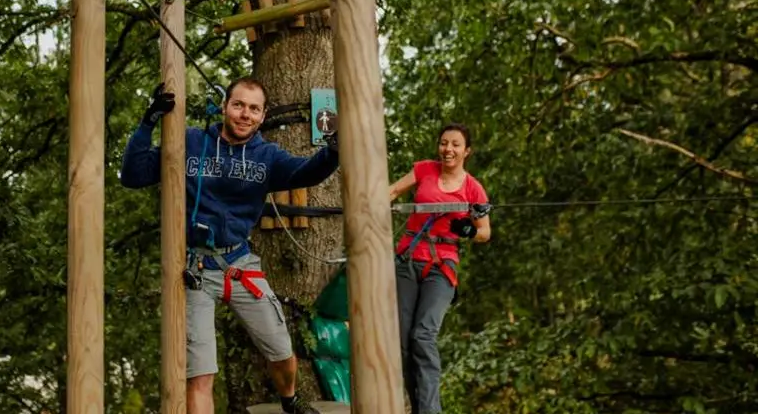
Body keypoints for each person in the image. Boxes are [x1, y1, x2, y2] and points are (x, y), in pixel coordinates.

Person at [120, 77, 339, 414]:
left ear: (263, 116)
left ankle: (289, 400)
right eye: (238, 105)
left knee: (282, 353)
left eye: (253, 109)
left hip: (240, 264)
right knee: (200, 374)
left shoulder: (267, 156)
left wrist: (334, 151)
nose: (244, 114)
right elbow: (133, 174)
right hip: (195, 269)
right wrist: (149, 120)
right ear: (224, 107)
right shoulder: (191, 141)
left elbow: (305, 173)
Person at [387, 123, 492, 414]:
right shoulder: (424, 170)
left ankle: (431, 411)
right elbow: (393, 191)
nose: (448, 149)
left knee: (423, 334)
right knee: (404, 341)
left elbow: (485, 233)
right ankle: (416, 406)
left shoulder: (473, 188)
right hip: (408, 260)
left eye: (456, 144)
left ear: (466, 151)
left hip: (441, 267)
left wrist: (468, 230)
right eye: (444, 143)